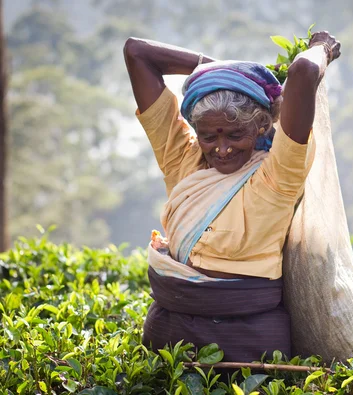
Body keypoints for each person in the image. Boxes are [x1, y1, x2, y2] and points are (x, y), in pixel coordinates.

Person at [123, 31, 341, 362]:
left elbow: (303, 73)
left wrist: (321, 49)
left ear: (261, 128)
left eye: (236, 134)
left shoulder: (276, 176)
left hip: (246, 350)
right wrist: (216, 71)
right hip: (168, 345)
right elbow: (136, 52)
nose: (221, 149)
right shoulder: (185, 158)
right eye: (209, 136)